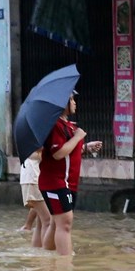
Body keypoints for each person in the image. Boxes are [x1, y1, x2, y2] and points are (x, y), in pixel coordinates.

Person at [38, 92, 102, 255]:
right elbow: (58, 153)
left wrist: (85, 147)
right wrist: (78, 136)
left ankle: (46, 260)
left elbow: (70, 151)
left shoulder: (69, 126)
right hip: (55, 182)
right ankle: (65, 267)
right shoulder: (54, 125)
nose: (74, 103)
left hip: (68, 183)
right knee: (65, 224)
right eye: (71, 99)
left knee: (56, 223)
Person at [20, 149, 51, 248]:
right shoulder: (35, 140)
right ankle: (47, 256)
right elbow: (33, 154)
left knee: (41, 222)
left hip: (35, 178)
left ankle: (38, 253)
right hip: (33, 179)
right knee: (48, 221)